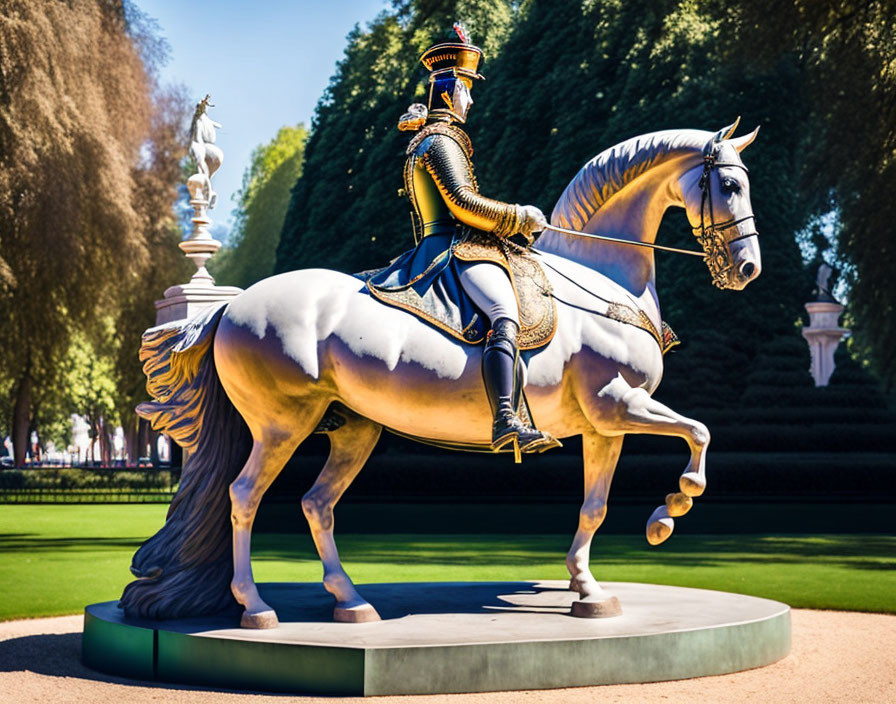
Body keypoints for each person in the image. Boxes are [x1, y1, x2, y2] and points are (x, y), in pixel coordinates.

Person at [367, 23, 560, 456]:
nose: (471, 100)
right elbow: (462, 203)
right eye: (467, 90)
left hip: (458, 244)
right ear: (450, 91)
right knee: (502, 312)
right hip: (454, 247)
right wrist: (519, 215)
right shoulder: (440, 140)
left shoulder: (434, 137)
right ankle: (506, 417)